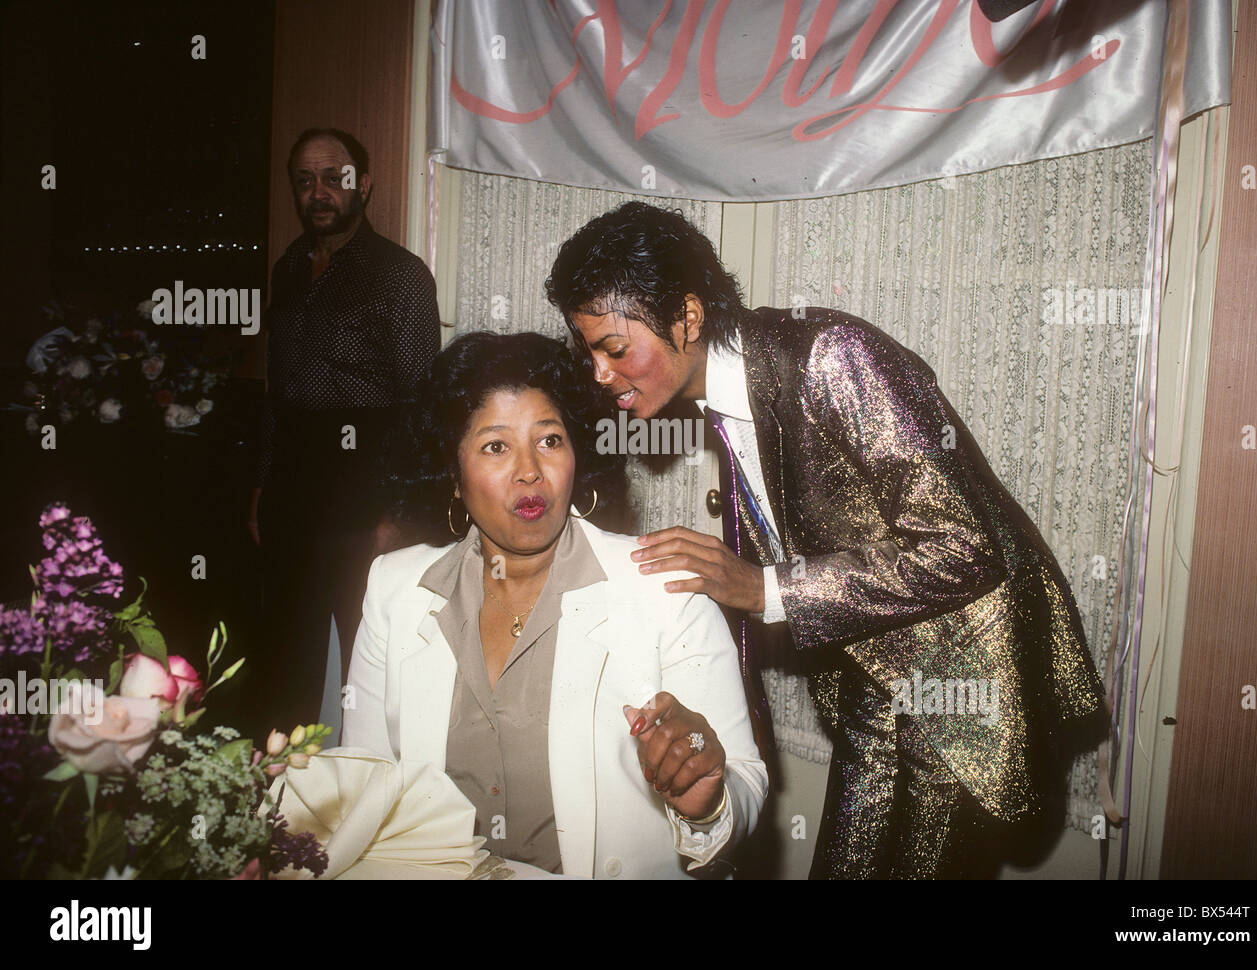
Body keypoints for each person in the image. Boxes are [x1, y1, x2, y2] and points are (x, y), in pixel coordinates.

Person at [545, 201, 1107, 878]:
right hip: (876, 684)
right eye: (591, 353)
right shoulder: (730, 395)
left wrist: (762, 587)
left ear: (687, 319)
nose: (601, 374)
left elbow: (964, 546)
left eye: (614, 347)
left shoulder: (831, 359)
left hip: (957, 693)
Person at [340, 332, 767, 878]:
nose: (529, 471)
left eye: (549, 440)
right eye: (496, 446)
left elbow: (745, 783)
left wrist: (709, 802)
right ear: (452, 474)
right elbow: (364, 784)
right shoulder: (394, 588)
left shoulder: (664, 588)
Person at [247, 128, 440, 741]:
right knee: (283, 653)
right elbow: (277, 394)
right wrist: (262, 489)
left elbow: (422, 407)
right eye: (305, 181)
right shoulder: (286, 270)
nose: (320, 192)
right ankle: (280, 810)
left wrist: (399, 511)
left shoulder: (403, 276)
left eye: (335, 177)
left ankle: (374, 816)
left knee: (372, 665)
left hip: (366, 484)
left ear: (366, 184)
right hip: (293, 482)